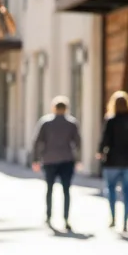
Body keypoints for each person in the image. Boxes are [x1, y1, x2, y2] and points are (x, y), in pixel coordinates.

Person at [98, 91, 128, 234]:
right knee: (127, 191)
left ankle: (113, 218)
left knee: (111, 190)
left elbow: (104, 140)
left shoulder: (111, 120)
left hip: (112, 160)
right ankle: (125, 222)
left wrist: (100, 153)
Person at [31, 96, 81, 232]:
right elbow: (78, 142)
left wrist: (35, 159)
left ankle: (48, 216)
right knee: (66, 191)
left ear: (54, 108)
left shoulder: (46, 122)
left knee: (49, 189)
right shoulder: (71, 123)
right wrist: (78, 159)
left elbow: (37, 142)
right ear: (66, 109)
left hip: (49, 160)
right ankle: (66, 218)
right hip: (67, 160)